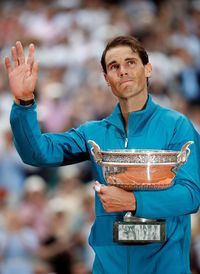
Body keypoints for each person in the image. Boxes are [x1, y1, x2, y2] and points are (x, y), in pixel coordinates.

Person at [5, 36, 200, 274]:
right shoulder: (93, 133)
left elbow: (191, 195)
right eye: (114, 66)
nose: (123, 71)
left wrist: (133, 202)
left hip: (165, 267)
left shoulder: (177, 126)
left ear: (148, 68)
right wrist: (24, 102)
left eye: (130, 62)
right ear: (107, 79)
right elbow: (38, 153)